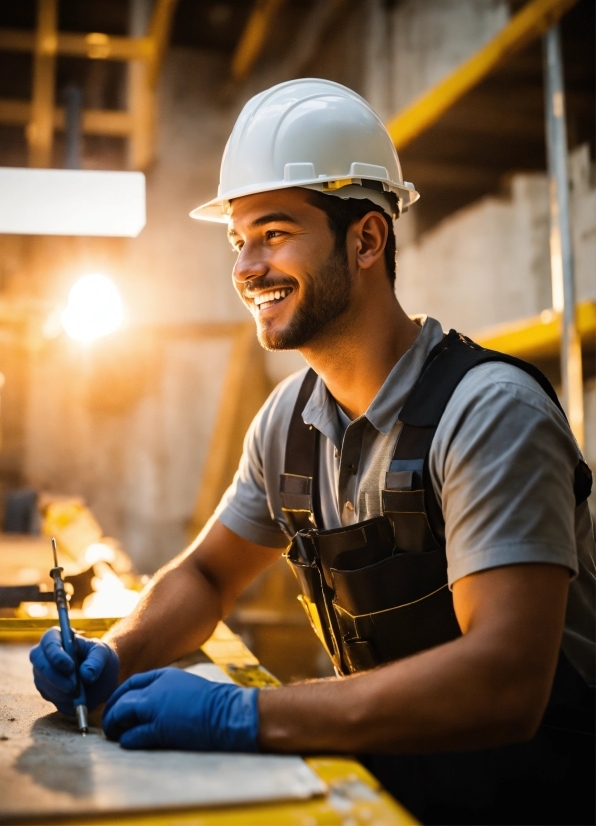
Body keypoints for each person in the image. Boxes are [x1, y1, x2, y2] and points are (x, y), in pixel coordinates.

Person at [31, 80, 595, 825]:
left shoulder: (489, 412)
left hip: (538, 804)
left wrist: (246, 715)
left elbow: (504, 682)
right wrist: (117, 652)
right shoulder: (287, 424)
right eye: (239, 241)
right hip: (390, 789)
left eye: (273, 233)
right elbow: (206, 573)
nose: (246, 268)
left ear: (367, 238)